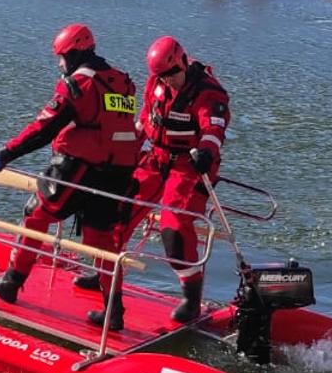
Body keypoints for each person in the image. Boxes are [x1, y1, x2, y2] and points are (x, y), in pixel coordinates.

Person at [0, 24, 142, 320]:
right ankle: (113, 310)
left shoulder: (78, 85)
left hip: (82, 167)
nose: (59, 63)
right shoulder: (121, 80)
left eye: (62, 57)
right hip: (118, 172)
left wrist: (6, 153)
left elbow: (44, 129)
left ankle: (11, 282)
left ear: (76, 52)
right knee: (101, 239)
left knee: (36, 214)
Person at [91, 36, 230, 329]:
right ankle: (107, 280)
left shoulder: (208, 93)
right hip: (155, 158)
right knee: (114, 215)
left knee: (174, 228)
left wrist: (206, 152)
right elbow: (145, 120)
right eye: (163, 77)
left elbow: (213, 129)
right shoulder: (157, 83)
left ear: (181, 62)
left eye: (171, 75)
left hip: (189, 166)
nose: (169, 82)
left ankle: (191, 298)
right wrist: (121, 150)